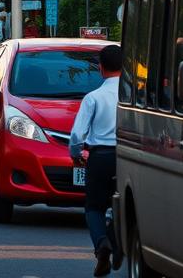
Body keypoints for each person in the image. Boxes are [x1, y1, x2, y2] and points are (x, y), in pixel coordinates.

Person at [70, 44, 124, 277]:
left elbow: (76, 135)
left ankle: (101, 243)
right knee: (123, 206)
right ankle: (115, 240)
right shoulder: (134, 96)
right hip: (127, 157)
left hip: (100, 156)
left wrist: (76, 155)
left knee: (94, 207)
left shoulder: (93, 97)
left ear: (101, 68)